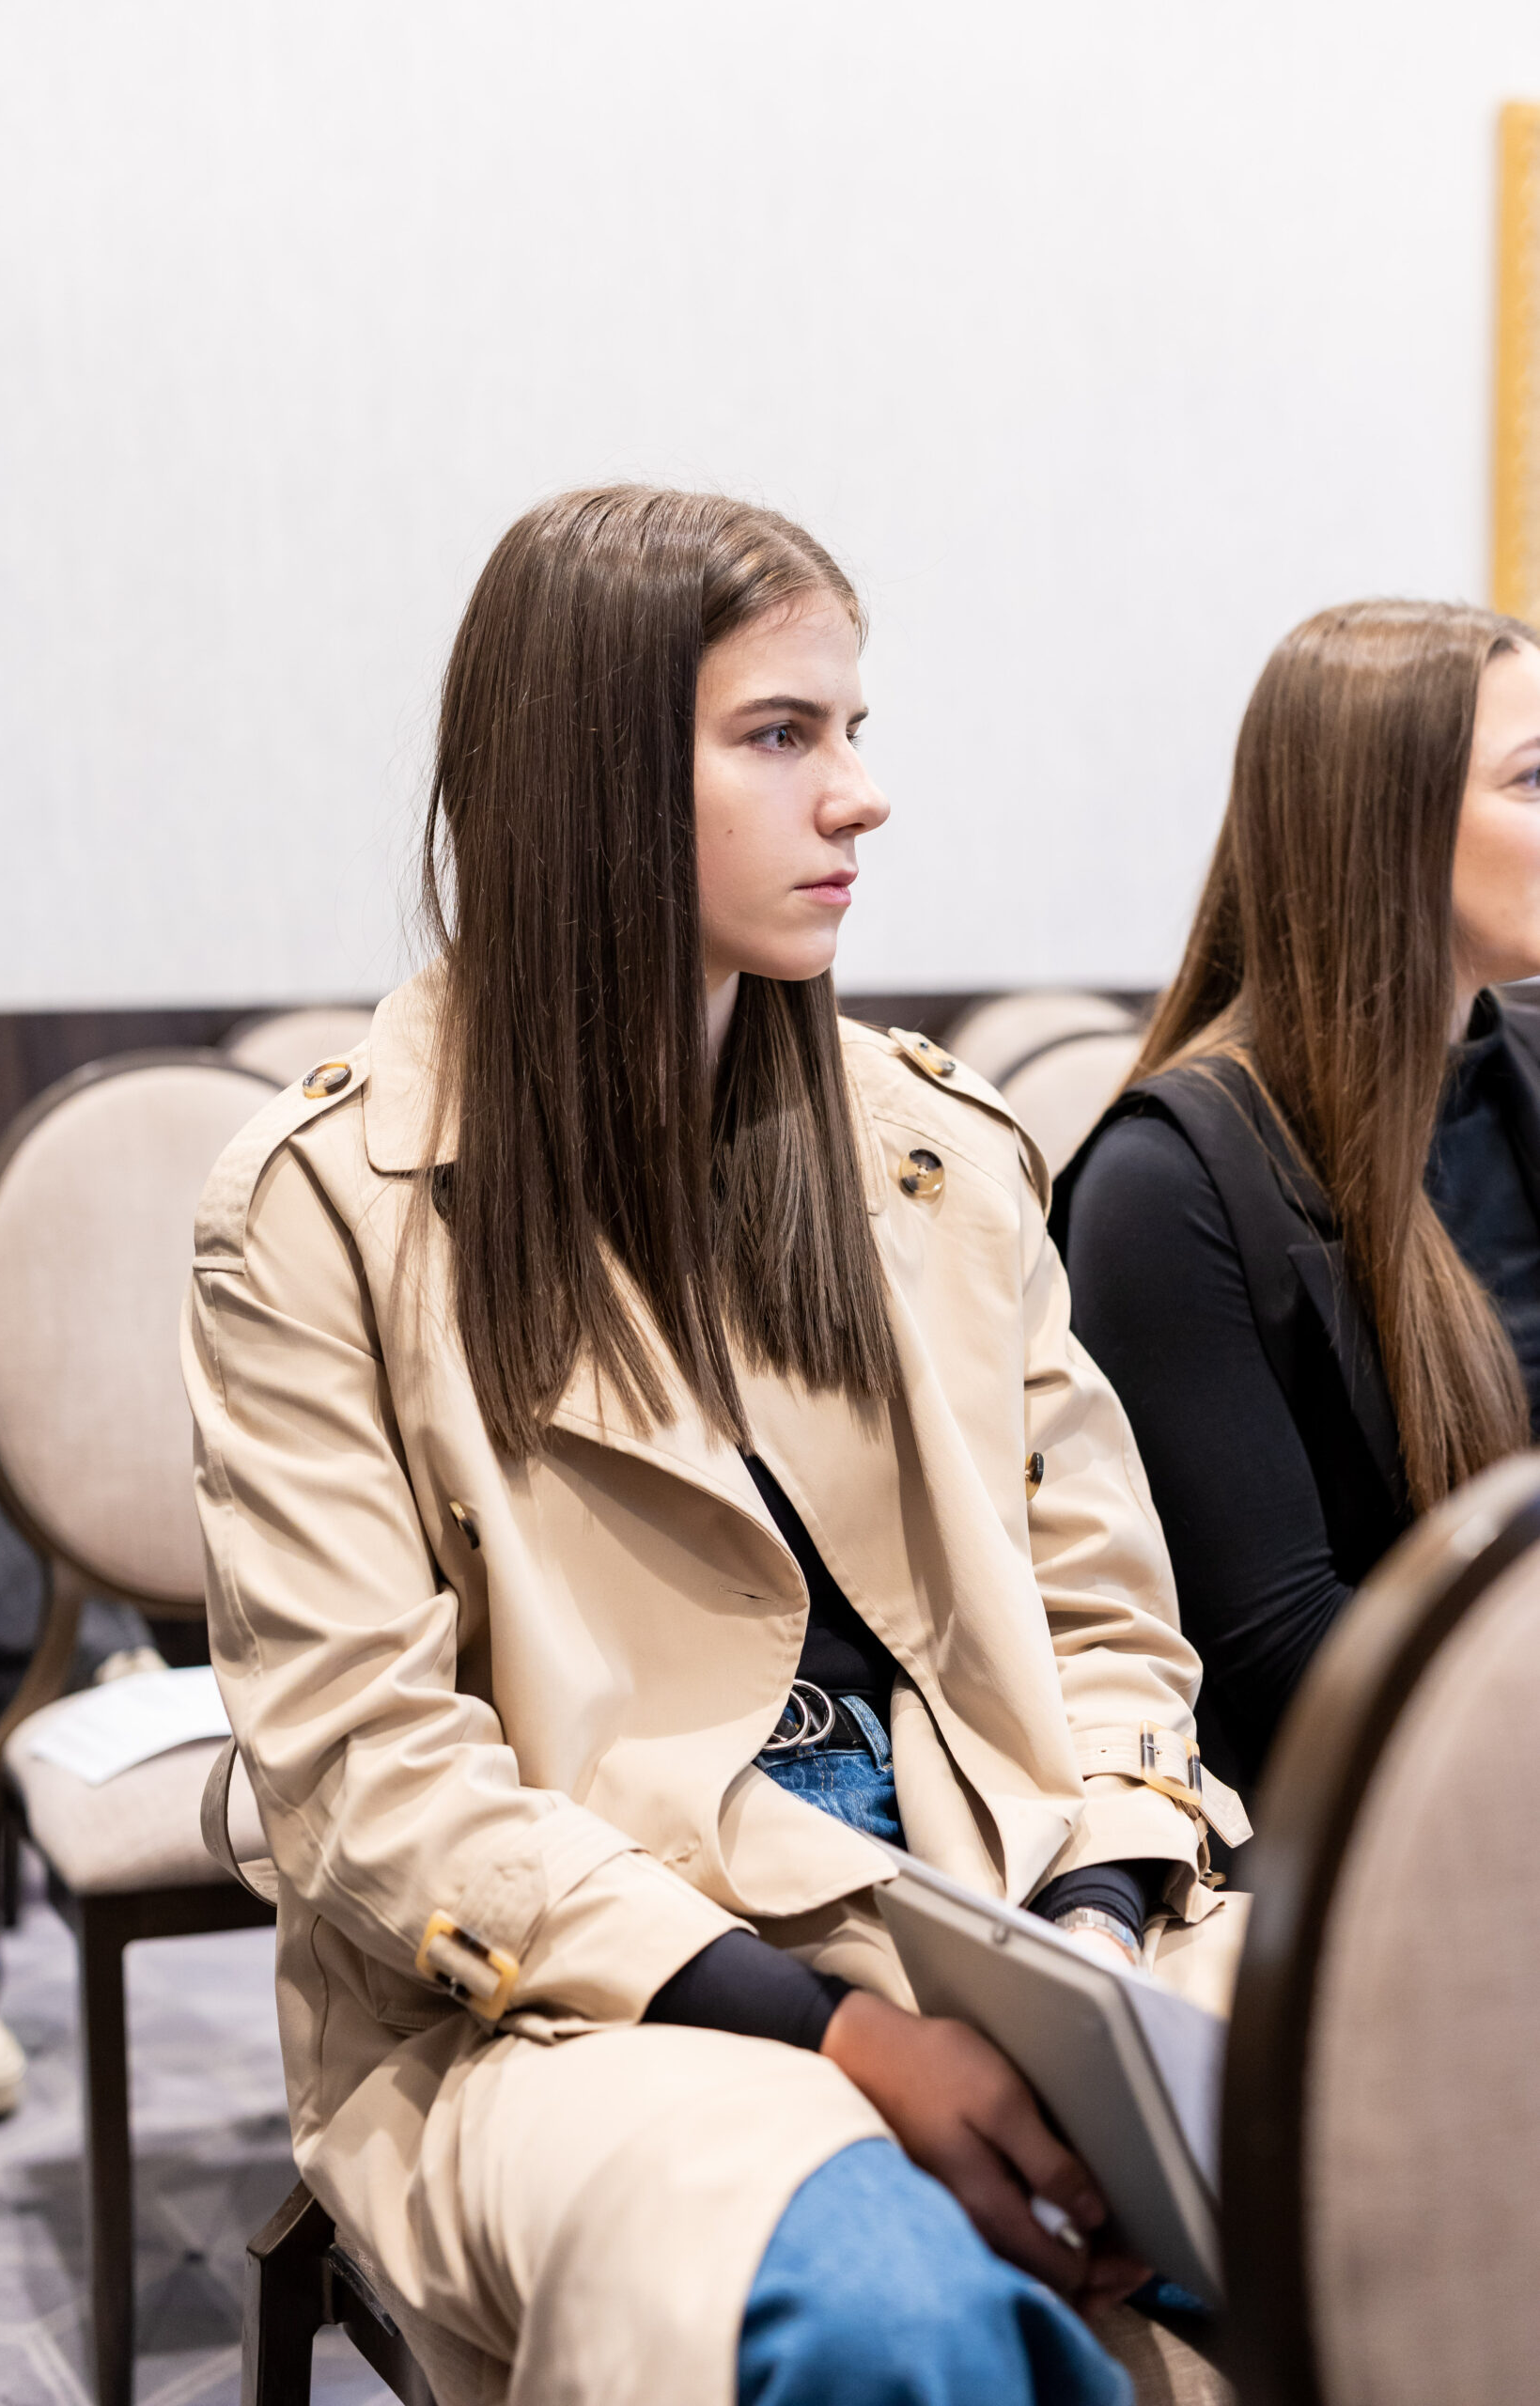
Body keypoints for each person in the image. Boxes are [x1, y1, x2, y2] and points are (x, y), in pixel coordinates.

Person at [183, 487, 1245, 2406]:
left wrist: (1086, 1940)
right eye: (778, 735)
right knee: (881, 2310)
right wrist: (842, 2033)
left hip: (1006, 1904)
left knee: (1442, 2141)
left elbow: (1106, 1626)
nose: (860, 796)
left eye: (853, 729)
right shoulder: (326, 1211)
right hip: (581, 2002)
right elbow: (373, 1781)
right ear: (586, 784)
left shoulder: (930, 1158)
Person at [1054, 599, 1540, 1797]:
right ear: (1388, 822)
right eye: (1534, 780)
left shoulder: (1523, 1072)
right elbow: (1285, 1649)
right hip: (1374, 1819)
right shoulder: (1165, 1184)